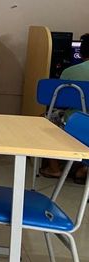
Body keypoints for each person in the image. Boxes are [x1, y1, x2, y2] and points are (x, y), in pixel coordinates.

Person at [41, 33, 89, 182]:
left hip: (75, 120)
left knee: (44, 120)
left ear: (81, 51)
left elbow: (59, 102)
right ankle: (84, 169)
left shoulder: (70, 71)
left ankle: (54, 169)